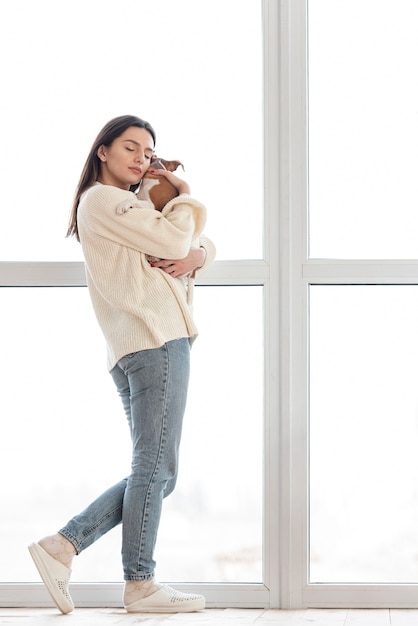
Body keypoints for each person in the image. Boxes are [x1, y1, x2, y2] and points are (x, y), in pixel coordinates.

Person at [28, 114, 215, 614]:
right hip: (155, 340)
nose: (141, 158)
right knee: (154, 467)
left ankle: (63, 548)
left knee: (156, 470)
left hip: (138, 344)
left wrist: (200, 252)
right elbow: (177, 241)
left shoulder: (124, 204)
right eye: (130, 147)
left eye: (148, 152)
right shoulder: (104, 199)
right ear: (102, 152)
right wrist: (186, 192)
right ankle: (139, 583)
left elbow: (182, 250)